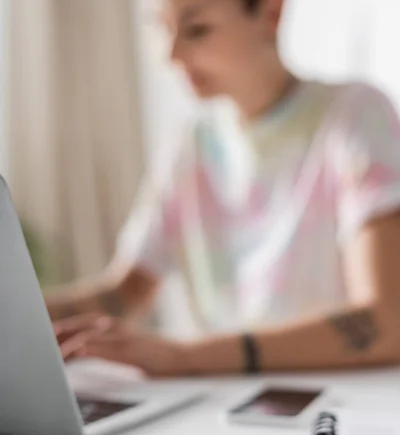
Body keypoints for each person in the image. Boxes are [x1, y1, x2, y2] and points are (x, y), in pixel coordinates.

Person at [46, 0, 400, 377]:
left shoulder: (354, 115)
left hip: (335, 399)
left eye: (197, 29)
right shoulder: (191, 143)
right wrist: (22, 314)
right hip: (221, 398)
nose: (170, 56)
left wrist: (186, 357)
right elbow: (124, 293)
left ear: (270, 14)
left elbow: (387, 322)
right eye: (160, 29)